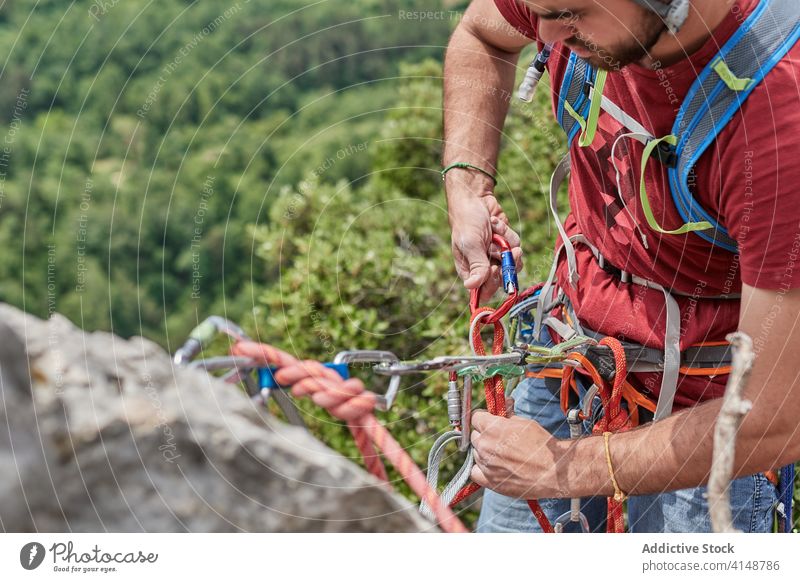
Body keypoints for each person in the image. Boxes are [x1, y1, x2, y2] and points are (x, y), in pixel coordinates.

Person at [442, 0, 800, 532]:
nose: (544, 34)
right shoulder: (567, 12)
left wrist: (554, 468)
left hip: (709, 409)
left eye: (571, 13)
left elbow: (775, 418)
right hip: (569, 354)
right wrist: (467, 184)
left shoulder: (775, 131)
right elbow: (484, 33)